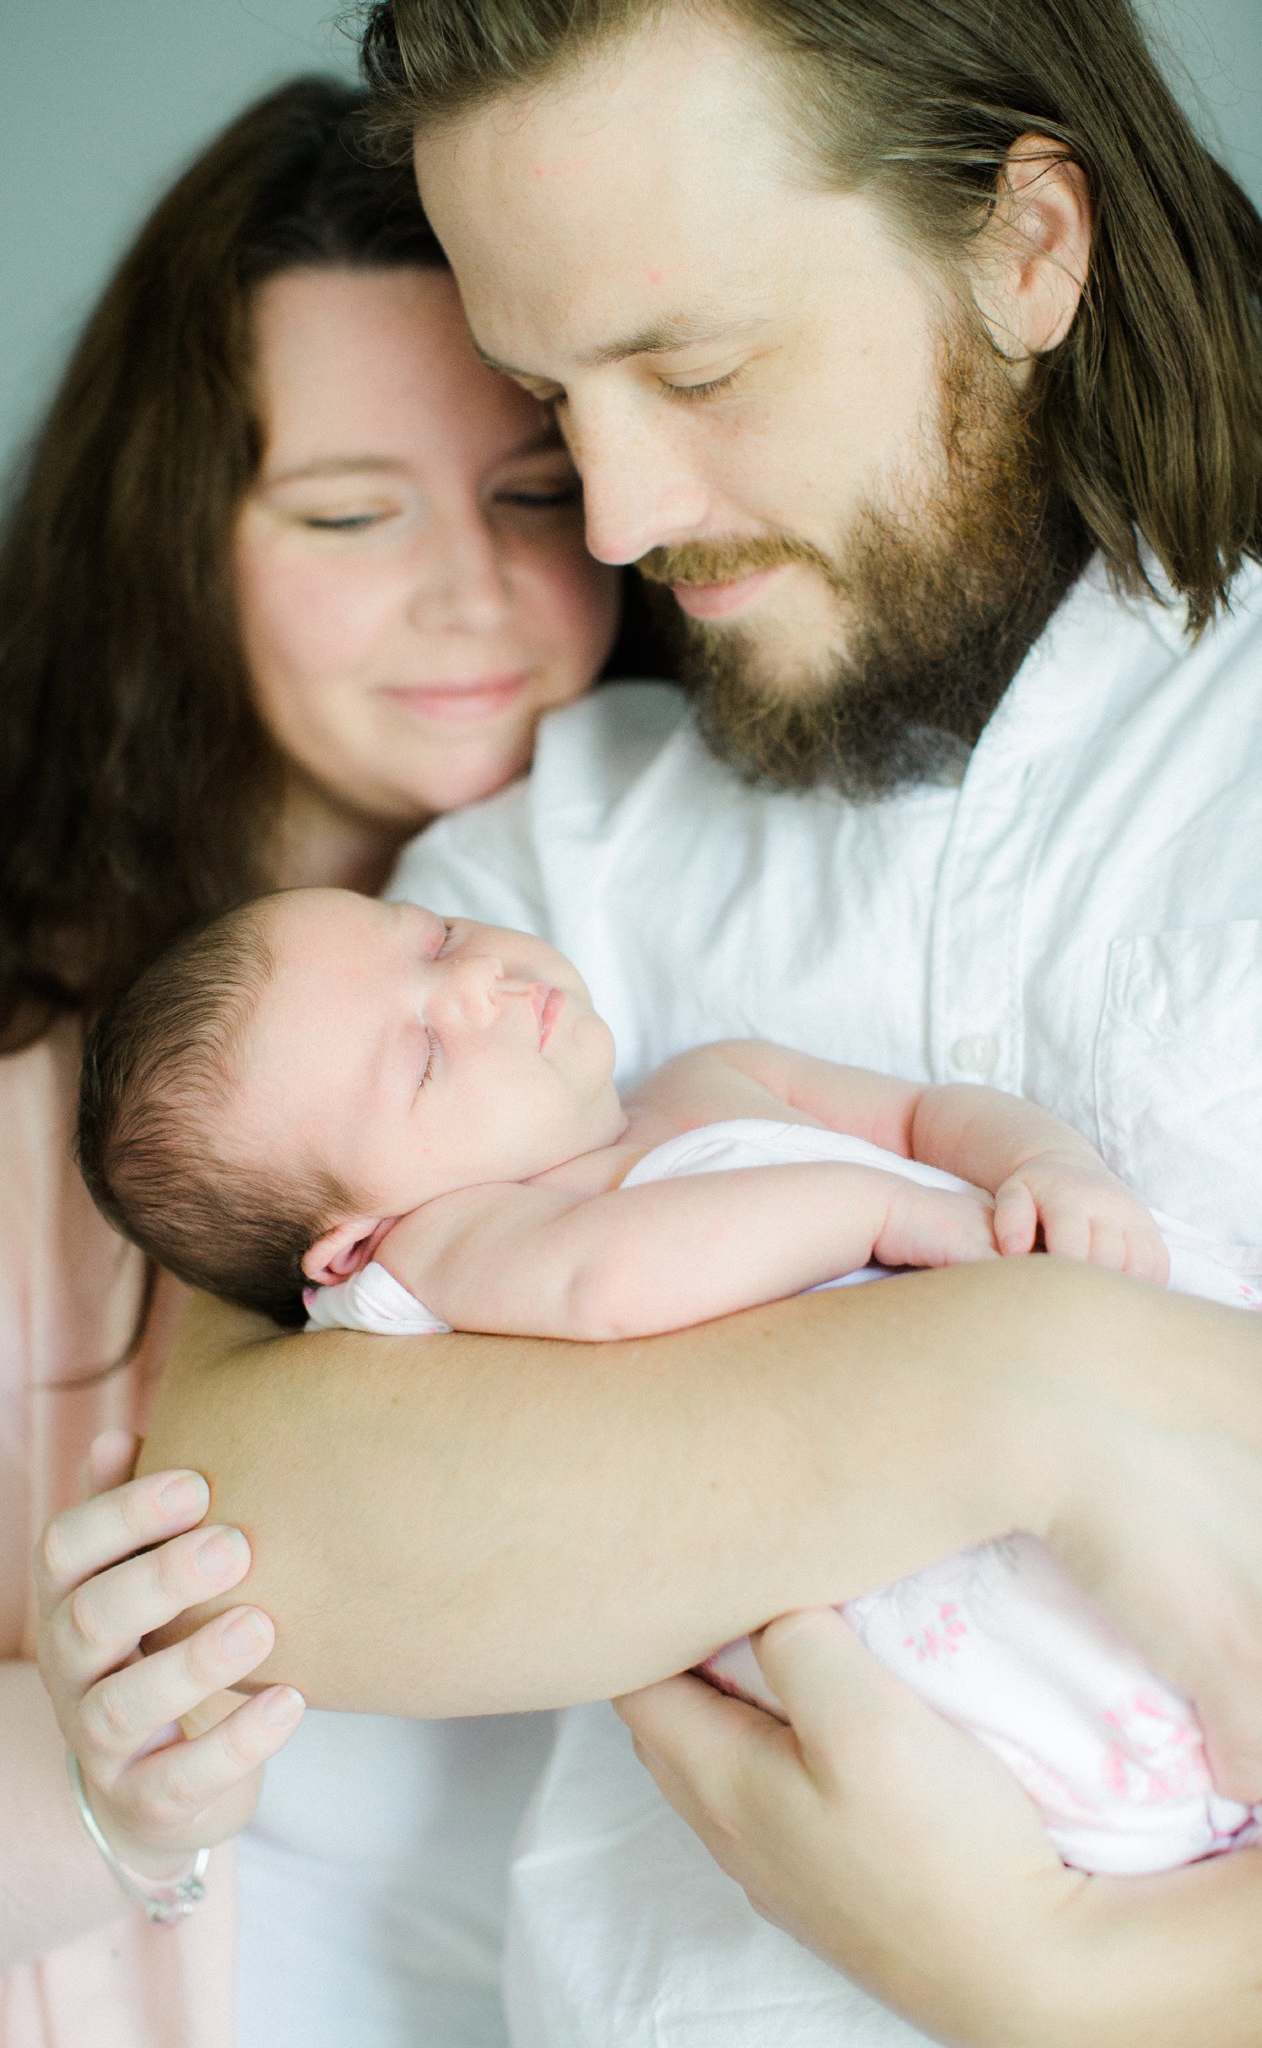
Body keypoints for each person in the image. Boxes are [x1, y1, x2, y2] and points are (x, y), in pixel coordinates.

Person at [132, 0, 1262, 2042]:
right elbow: (260, 1513)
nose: (624, 519)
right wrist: (1035, 1381)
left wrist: (1092, 1983)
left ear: (1028, 245)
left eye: (697, 368)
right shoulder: (556, 854)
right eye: (560, 400)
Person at [0, 73, 622, 2048]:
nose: (467, 591)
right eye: (345, 510)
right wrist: (88, 1783)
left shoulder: (695, 954)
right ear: (173, 541)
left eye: (536, 493)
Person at [83, 881, 1262, 1879]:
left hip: (1134, 1394)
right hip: (952, 1576)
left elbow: (920, 1110)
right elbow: (612, 1284)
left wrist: (1049, 1164)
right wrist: (888, 1209)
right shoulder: (455, 1242)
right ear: (351, 1244)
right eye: (427, 1056)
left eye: (433, 935)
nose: (476, 983)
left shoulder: (716, 1073)